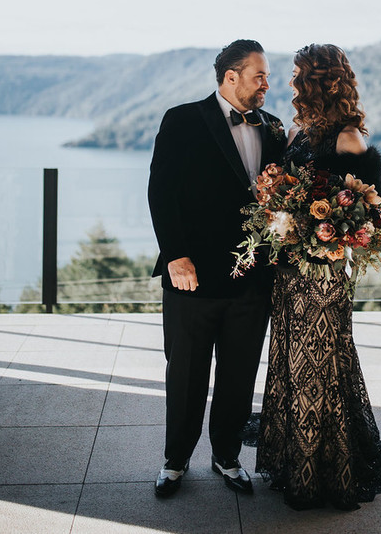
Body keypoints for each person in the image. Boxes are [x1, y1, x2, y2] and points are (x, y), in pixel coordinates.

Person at [255, 43, 381, 511]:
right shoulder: (298, 128)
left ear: (318, 80)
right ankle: (294, 458)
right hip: (290, 270)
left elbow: (370, 218)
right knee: (292, 362)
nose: (290, 82)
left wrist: (323, 233)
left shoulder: (348, 138)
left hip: (325, 274)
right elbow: (283, 189)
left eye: (298, 75)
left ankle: (321, 475)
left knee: (318, 365)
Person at [148, 39, 286, 499]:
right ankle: (175, 461)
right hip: (194, 275)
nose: (268, 82)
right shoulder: (183, 119)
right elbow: (161, 191)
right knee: (185, 372)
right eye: (259, 74)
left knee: (239, 373)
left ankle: (227, 457)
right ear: (231, 76)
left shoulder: (274, 128)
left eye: (267, 75)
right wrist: (174, 254)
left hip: (254, 279)